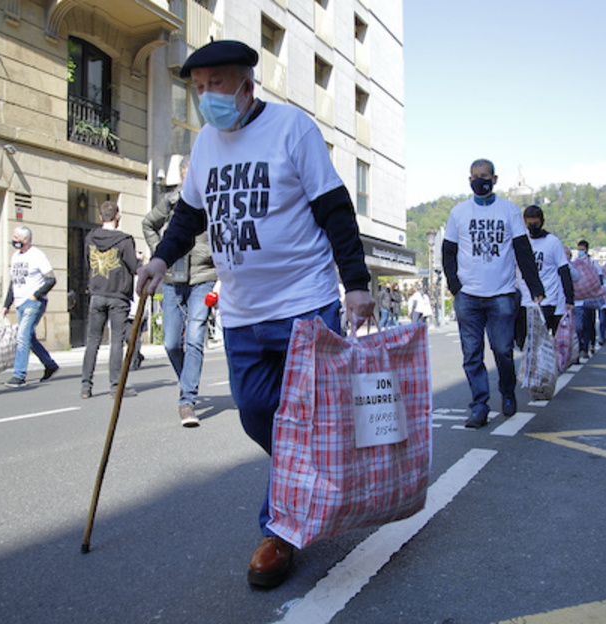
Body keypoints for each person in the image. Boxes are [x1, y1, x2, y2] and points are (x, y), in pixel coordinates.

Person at [136, 40, 374, 589]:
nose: (205, 97)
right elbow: (189, 216)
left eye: (216, 84)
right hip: (243, 312)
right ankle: (314, 473)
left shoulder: (293, 130)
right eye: (197, 88)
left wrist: (356, 284)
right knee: (253, 412)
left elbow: (334, 208)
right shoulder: (206, 147)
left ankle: (279, 532)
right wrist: (159, 259)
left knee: (298, 418)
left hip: (305, 303)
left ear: (246, 83)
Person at [443, 159, 544, 429]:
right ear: (469, 180)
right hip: (469, 297)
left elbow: (523, 250)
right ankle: (479, 406)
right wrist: (456, 287)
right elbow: (448, 252)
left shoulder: (509, 210)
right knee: (472, 355)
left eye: (484, 176)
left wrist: (536, 288)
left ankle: (508, 392)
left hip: (501, 294)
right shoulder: (459, 213)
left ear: (495, 179)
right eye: (475, 176)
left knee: (502, 350)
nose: (480, 180)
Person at [142, 155, 218, 426]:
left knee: (195, 336)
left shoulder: (213, 201)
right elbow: (148, 224)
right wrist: (159, 252)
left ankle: (187, 400)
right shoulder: (171, 201)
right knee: (171, 342)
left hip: (204, 276)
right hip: (173, 277)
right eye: (187, 178)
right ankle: (186, 379)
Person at [80, 201, 139, 399]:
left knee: (93, 341)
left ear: (100, 217)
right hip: (117, 295)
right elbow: (133, 267)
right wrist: (140, 260)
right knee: (116, 342)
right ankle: (115, 387)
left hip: (97, 293)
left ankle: (86, 386)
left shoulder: (90, 238)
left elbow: (86, 264)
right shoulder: (125, 240)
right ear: (117, 216)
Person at [3, 226, 59, 387]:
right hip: (20, 302)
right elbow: (13, 282)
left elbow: (51, 279)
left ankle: (19, 375)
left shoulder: (37, 255)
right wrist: (7, 304)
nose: (14, 240)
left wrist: (35, 295)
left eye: (16, 237)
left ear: (25, 239)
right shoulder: (15, 257)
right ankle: (50, 364)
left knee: (22, 337)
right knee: (29, 337)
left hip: (33, 302)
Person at [515, 205, 574, 345]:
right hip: (526, 300)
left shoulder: (552, 242)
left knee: (541, 341)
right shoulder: (521, 242)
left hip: (547, 299)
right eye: (530, 224)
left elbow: (564, 271)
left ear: (542, 222)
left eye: (535, 223)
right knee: (523, 342)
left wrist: (569, 299)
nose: (533, 227)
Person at [573, 240, 602, 361]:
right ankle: (580, 348)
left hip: (589, 300)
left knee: (589, 325)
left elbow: (599, 280)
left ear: (586, 249)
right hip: (578, 301)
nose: (580, 252)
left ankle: (586, 347)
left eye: (582, 249)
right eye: (579, 249)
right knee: (579, 327)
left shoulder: (593, 264)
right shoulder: (575, 264)